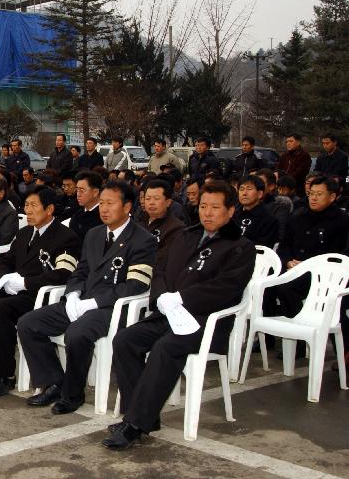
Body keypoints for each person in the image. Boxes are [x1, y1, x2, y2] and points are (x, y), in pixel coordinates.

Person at [104, 181, 255, 449]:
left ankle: (135, 424)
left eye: (215, 207)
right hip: (168, 314)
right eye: (204, 207)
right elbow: (160, 269)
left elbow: (225, 289)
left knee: (165, 348)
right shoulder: (187, 236)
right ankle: (142, 414)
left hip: (204, 323)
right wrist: (162, 297)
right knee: (125, 339)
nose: (207, 213)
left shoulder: (239, 247)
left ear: (231, 211)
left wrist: (182, 298)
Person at [17, 180, 156, 414]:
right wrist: (73, 293)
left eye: (110, 203)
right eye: (102, 203)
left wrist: (94, 303)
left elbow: (136, 285)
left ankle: (72, 394)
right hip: (83, 300)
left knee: (77, 333)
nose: (104, 208)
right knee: (28, 323)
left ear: (127, 206)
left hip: (111, 308)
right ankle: (54, 381)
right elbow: (80, 270)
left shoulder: (142, 240)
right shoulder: (94, 234)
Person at [0, 186, 81, 397]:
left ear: (49, 209)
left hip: (38, 295)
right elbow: (7, 260)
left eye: (33, 206)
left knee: (1, 309)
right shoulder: (24, 232)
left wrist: (26, 282)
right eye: (26, 205)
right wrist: (5, 277)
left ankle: (4, 376)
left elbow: (63, 274)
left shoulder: (66, 237)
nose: (28, 211)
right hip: (12, 289)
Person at [269, 176, 349, 319]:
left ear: (332, 197)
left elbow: (339, 255)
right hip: (293, 268)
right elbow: (284, 246)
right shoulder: (298, 215)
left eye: (319, 194)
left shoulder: (342, 221)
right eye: (311, 193)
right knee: (266, 287)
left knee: (286, 289)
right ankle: (270, 335)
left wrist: (309, 265)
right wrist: (288, 261)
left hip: (324, 274)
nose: (313, 198)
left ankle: (303, 327)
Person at [139, 179, 185, 267]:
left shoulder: (176, 228)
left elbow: (165, 259)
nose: (151, 203)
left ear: (168, 202)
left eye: (156, 199)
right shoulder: (139, 223)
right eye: (148, 198)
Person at [234, 175, 279, 248]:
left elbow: (262, 247)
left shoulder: (269, 220)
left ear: (259, 194)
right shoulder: (233, 214)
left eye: (249, 189)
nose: (244, 193)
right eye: (241, 189)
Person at [69, 171, 103, 240]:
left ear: (95, 192)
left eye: (82, 190)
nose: (78, 194)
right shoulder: (77, 214)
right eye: (77, 190)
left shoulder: (104, 216)